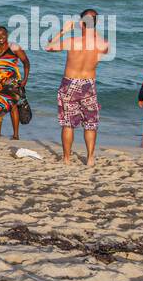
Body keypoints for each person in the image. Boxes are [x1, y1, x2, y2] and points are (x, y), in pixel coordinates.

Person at [45, 9, 110, 166]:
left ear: (81, 23)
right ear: (96, 23)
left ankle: (67, 159)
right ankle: (90, 159)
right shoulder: (103, 43)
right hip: (88, 84)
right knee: (90, 124)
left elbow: (48, 47)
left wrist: (63, 30)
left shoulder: (72, 41)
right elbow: (104, 49)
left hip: (69, 83)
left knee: (68, 123)